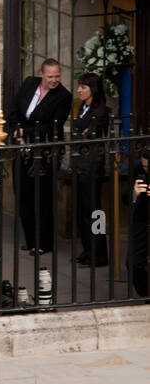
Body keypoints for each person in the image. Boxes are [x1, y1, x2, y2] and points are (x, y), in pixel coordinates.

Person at [7, 59, 71, 255]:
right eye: (50, 76)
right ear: (41, 74)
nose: (54, 80)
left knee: (42, 197)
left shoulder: (63, 96)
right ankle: (30, 239)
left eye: (57, 76)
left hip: (45, 151)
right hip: (21, 147)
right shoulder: (29, 83)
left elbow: (53, 126)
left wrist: (25, 136)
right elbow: (13, 110)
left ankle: (44, 242)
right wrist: (17, 133)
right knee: (23, 194)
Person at [71, 72, 110, 269]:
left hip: (92, 167)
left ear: (92, 89)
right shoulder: (82, 108)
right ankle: (87, 250)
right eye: (79, 86)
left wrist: (81, 134)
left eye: (83, 87)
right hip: (80, 165)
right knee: (82, 212)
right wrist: (80, 133)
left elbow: (88, 137)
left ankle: (99, 254)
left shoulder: (101, 111)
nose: (79, 90)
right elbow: (77, 133)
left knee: (95, 212)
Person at [131, 145, 148, 298]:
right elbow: (125, 199)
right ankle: (145, 295)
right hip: (142, 220)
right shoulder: (137, 169)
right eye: (144, 166)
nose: (146, 169)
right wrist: (134, 195)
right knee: (134, 262)